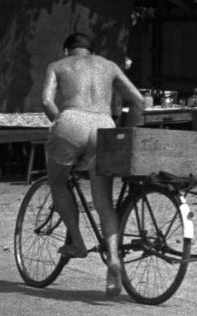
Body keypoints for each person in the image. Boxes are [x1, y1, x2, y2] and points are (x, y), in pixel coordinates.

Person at [40, 32, 147, 296]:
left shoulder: (58, 65)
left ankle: (77, 242)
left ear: (67, 51)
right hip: (104, 126)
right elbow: (138, 101)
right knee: (104, 203)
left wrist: (60, 122)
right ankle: (113, 258)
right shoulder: (109, 66)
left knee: (57, 181)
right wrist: (129, 134)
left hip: (72, 121)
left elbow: (46, 100)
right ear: (92, 51)